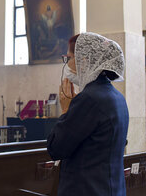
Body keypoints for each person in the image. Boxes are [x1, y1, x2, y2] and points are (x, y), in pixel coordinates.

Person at [47, 32, 129, 195]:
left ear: (84, 61)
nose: (67, 64)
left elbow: (56, 148)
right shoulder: (117, 97)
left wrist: (66, 110)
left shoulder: (89, 99)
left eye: (69, 58)